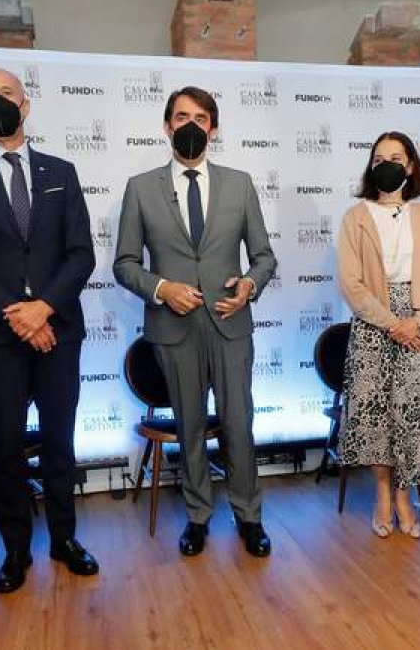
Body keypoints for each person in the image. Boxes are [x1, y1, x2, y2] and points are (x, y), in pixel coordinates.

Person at [0, 68, 97, 593]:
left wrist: (44, 308)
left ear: (25, 105)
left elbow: (81, 253)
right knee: (6, 447)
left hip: (58, 330)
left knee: (59, 441)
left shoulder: (61, 171)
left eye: (6, 93)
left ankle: (64, 539)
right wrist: (19, 314)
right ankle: (14, 550)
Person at [113, 86, 277, 558]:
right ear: (167, 126)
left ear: (213, 128)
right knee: (188, 427)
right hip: (173, 328)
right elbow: (125, 264)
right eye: (182, 116)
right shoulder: (140, 188)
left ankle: (249, 516)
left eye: (200, 118)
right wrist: (163, 288)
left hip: (230, 324)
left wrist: (249, 285)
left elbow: (264, 257)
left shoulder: (240, 184)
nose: (191, 125)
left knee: (238, 424)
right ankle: (198, 516)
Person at [336, 131, 420, 539]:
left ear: (411, 166)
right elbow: (351, 283)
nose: (387, 165)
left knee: (412, 415)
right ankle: (383, 495)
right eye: (379, 158)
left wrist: (417, 322)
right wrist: (391, 323)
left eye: (396, 158)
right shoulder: (355, 217)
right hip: (373, 326)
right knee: (375, 416)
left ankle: (405, 496)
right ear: (371, 166)